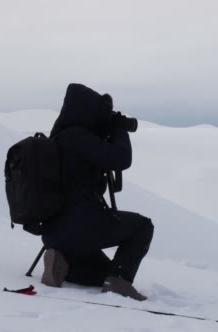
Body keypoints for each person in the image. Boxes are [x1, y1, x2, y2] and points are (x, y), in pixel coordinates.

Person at [40, 83, 154, 301]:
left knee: (105, 273)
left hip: (54, 232)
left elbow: (92, 186)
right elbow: (122, 159)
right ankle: (119, 283)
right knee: (143, 226)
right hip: (82, 225)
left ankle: (62, 263)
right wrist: (119, 128)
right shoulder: (79, 138)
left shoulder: (59, 138)